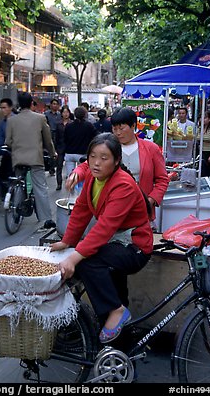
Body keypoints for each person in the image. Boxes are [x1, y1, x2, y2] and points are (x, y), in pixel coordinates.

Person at [51, 133, 153, 343]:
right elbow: (80, 210)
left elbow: (104, 228)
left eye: (104, 158)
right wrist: (67, 241)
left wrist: (73, 256)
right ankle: (118, 347)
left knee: (87, 263)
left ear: (117, 161)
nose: (96, 163)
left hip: (134, 246)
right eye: (92, 156)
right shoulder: (93, 176)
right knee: (112, 285)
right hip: (114, 243)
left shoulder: (123, 185)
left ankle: (116, 311)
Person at [66, 107, 169, 225]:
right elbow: (87, 165)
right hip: (111, 211)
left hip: (141, 213)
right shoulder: (109, 148)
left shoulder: (151, 149)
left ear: (133, 126)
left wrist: (150, 200)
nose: (118, 133)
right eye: (114, 129)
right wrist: (76, 173)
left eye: (121, 128)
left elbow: (162, 180)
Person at [5, 92, 57, 229]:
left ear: (18, 104)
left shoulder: (11, 120)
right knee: (40, 188)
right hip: (35, 158)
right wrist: (53, 153)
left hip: (18, 159)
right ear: (31, 103)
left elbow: (8, 141)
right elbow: (48, 140)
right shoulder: (40, 118)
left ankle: (17, 209)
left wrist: (18, 147)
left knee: (19, 181)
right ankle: (46, 219)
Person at [64, 106, 98, 178]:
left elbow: (65, 138)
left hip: (69, 152)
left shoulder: (69, 126)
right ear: (85, 114)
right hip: (82, 153)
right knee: (82, 176)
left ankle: (70, 187)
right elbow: (96, 136)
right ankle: (80, 189)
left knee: (70, 176)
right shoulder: (88, 125)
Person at [0, 98, 16, 182]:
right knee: (1, 174)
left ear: (10, 108)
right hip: (7, 151)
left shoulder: (16, 120)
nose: (2, 110)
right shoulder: (3, 122)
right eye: (1, 108)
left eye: (4, 108)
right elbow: (0, 137)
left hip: (16, 152)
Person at [55, 105, 73, 190]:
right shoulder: (58, 124)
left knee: (70, 167)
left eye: (67, 112)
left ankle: (70, 183)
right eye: (64, 112)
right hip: (60, 147)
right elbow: (56, 137)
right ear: (61, 113)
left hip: (70, 147)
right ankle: (59, 183)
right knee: (59, 166)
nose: (66, 114)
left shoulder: (72, 123)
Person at [44, 98, 61, 176]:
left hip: (58, 134)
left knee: (57, 150)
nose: (54, 105)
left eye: (56, 104)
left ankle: (55, 166)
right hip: (49, 133)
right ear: (50, 105)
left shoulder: (60, 115)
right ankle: (51, 168)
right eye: (53, 104)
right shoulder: (46, 114)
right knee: (50, 150)